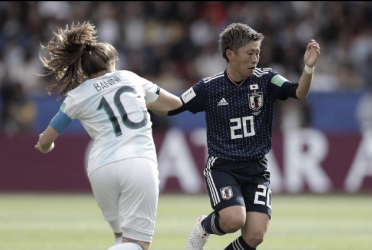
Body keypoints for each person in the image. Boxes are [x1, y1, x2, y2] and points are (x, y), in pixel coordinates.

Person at [147, 23, 320, 250]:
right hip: (223, 166)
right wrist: (144, 99)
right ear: (230, 54)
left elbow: (299, 92)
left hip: (257, 169)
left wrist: (308, 68)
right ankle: (203, 226)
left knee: (255, 235)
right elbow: (174, 107)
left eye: (257, 52)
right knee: (233, 220)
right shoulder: (209, 87)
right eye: (249, 53)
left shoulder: (267, 79)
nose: (255, 58)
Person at [34, 21, 182, 250]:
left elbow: (45, 141)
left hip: (101, 168)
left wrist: (46, 148)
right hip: (138, 163)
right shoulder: (129, 78)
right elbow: (175, 104)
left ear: (83, 69)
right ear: (111, 62)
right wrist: (146, 103)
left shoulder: (77, 96)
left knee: (121, 236)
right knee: (138, 244)